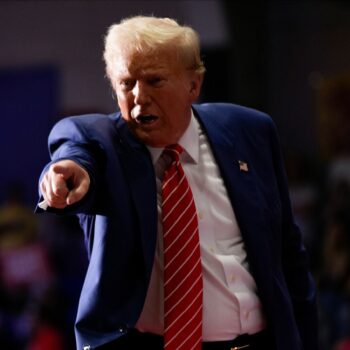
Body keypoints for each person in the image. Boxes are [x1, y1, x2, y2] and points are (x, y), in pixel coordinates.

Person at [37, 16, 318, 350]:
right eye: (127, 83)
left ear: (193, 86)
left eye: (155, 80)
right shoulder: (102, 144)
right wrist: (65, 173)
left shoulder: (250, 130)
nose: (139, 97)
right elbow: (72, 154)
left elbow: (288, 251)